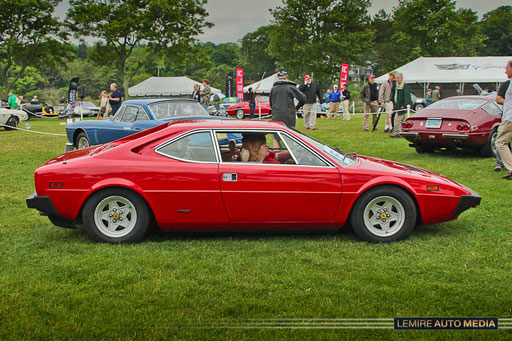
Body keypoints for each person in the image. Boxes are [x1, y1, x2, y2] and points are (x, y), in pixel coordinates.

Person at [496, 59, 512, 179]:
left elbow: (498, 99)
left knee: (500, 142)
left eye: (507, 68)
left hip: (509, 118)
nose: (505, 71)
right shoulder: (508, 83)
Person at [390, 72, 412, 138]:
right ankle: (402, 132)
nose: (396, 79)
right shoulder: (397, 85)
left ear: (401, 78)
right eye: (396, 78)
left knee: (397, 119)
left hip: (402, 106)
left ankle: (396, 132)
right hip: (397, 105)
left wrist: (405, 105)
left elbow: (407, 96)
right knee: (402, 120)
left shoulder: (404, 85)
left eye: (398, 78)